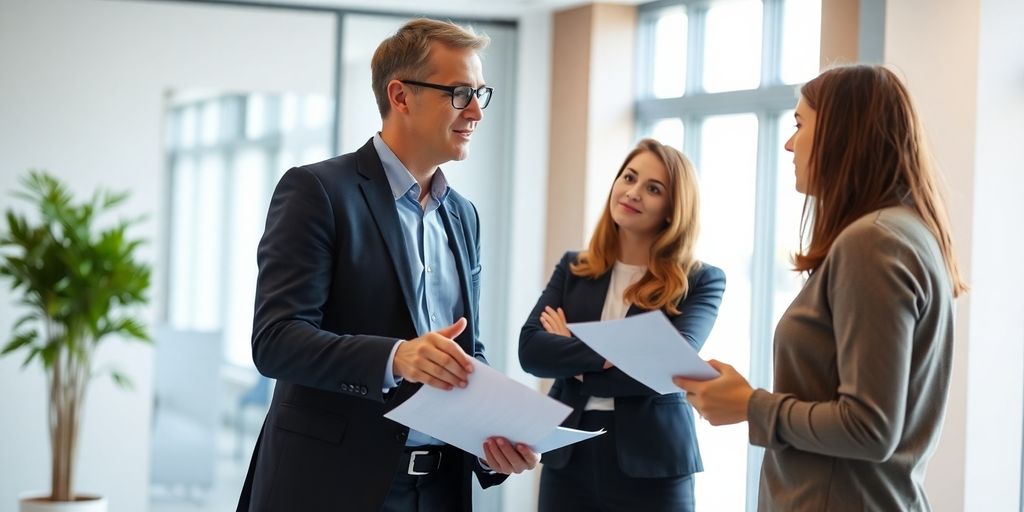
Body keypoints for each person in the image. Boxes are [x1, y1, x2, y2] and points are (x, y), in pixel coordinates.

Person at [236, 18, 538, 512]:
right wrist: (396, 357)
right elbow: (277, 340)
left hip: (439, 489)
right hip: (331, 486)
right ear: (400, 96)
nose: (476, 113)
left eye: (480, 94)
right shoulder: (318, 191)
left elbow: (467, 351)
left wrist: (493, 438)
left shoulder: (463, 216)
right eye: (460, 93)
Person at [675, 64, 968, 511]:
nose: (789, 144)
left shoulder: (873, 240)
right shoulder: (905, 231)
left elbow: (870, 428)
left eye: (799, 124)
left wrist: (750, 405)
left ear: (841, 132)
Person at [519, 138, 726, 512]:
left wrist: (572, 357)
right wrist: (612, 356)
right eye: (629, 178)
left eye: (653, 188)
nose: (633, 192)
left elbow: (667, 369)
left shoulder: (700, 280)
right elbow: (531, 350)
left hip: (655, 463)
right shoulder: (574, 268)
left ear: (673, 210)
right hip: (568, 454)